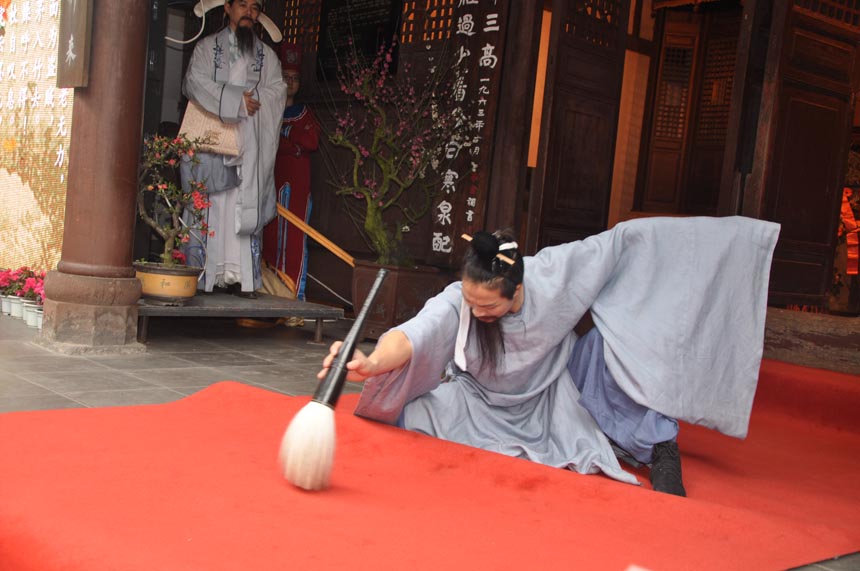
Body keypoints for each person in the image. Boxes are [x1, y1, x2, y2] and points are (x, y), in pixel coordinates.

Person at [319, 216, 781, 496]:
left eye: (488, 305)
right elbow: (414, 333)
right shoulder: (461, 299)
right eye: (471, 300)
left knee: (606, 344)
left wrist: (731, 240)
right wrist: (371, 362)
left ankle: (659, 444)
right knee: (414, 414)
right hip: (482, 404)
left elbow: (622, 243)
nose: (476, 310)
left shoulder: (554, 273)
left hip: (555, 393)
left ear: (517, 288)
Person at [180, 0, 286, 298]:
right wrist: (235, 102)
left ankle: (241, 278)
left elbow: (277, 92)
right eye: (243, 5)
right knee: (211, 206)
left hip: (249, 145)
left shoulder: (268, 58)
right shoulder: (207, 48)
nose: (249, 12)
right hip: (213, 144)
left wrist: (250, 104)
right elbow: (194, 83)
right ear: (227, 8)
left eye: (255, 7)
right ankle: (203, 275)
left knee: (241, 206)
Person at [261, 42, 320, 301]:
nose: (291, 82)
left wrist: (286, 141)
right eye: (286, 77)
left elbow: (310, 142)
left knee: (294, 241)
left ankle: (297, 295)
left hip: (296, 187)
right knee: (269, 237)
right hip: (269, 183)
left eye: (295, 78)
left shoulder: (304, 114)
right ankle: (269, 291)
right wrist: (289, 145)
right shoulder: (268, 112)